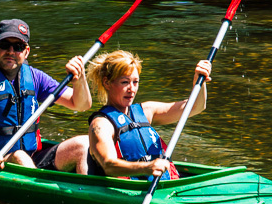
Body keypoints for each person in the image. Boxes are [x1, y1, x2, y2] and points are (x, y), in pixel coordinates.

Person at [0, 18, 93, 173]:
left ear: (26, 52)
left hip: (33, 157)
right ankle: (43, 192)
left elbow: (80, 104)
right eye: (5, 45)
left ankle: (85, 192)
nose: (11, 51)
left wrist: (79, 80)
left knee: (83, 144)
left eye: (18, 46)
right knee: (20, 156)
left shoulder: (35, 77)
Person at [85, 50, 212, 179]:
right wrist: (147, 167)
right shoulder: (101, 124)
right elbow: (108, 165)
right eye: (125, 82)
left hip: (167, 184)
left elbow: (196, 107)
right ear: (107, 83)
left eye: (135, 82)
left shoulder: (146, 111)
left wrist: (199, 82)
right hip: (133, 190)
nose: (132, 89)